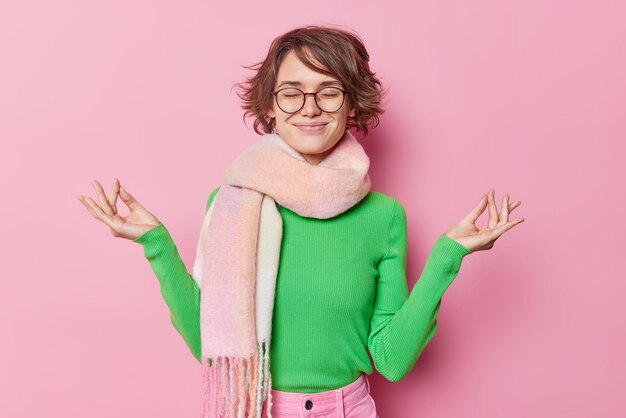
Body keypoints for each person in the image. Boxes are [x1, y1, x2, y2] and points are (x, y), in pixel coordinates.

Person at [78, 25, 524, 418]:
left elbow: (391, 359)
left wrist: (449, 255)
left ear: (351, 105)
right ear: (270, 107)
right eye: (291, 92)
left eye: (328, 91)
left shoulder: (384, 216)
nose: (309, 108)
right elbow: (211, 349)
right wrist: (156, 244)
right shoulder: (234, 203)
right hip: (256, 408)